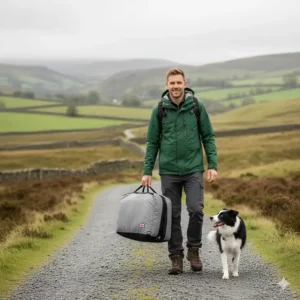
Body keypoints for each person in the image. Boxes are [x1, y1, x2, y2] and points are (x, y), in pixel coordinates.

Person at [141, 68, 218, 275]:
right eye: (172, 83)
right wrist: (147, 171)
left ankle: (194, 251)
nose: (175, 86)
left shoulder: (196, 106)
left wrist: (212, 165)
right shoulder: (159, 110)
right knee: (172, 214)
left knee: (195, 209)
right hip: (169, 172)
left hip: (193, 169)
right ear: (167, 85)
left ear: (185, 84)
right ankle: (176, 257)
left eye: (179, 82)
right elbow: (152, 142)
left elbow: (208, 136)